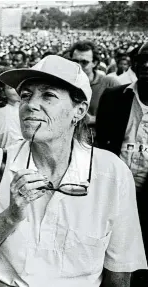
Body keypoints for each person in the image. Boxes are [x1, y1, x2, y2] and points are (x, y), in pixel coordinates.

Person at [0, 55, 147, 287]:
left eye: (48, 95)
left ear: (79, 110)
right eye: (26, 95)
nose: (30, 104)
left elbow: (120, 270)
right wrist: (10, 216)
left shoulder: (110, 172)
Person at [96, 42, 148, 287]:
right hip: (114, 195)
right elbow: (102, 147)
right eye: (142, 60)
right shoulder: (114, 97)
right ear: (134, 64)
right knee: (115, 260)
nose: (146, 65)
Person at [69, 41, 120, 125]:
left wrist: (93, 119)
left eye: (84, 62)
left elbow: (124, 115)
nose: (78, 66)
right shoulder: (64, 84)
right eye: (75, 61)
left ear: (94, 63)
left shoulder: (110, 84)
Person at [0, 69, 24, 150]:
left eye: (18, 85)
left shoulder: (13, 106)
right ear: (0, 91)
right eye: (11, 87)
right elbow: (12, 149)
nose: (18, 89)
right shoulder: (6, 115)